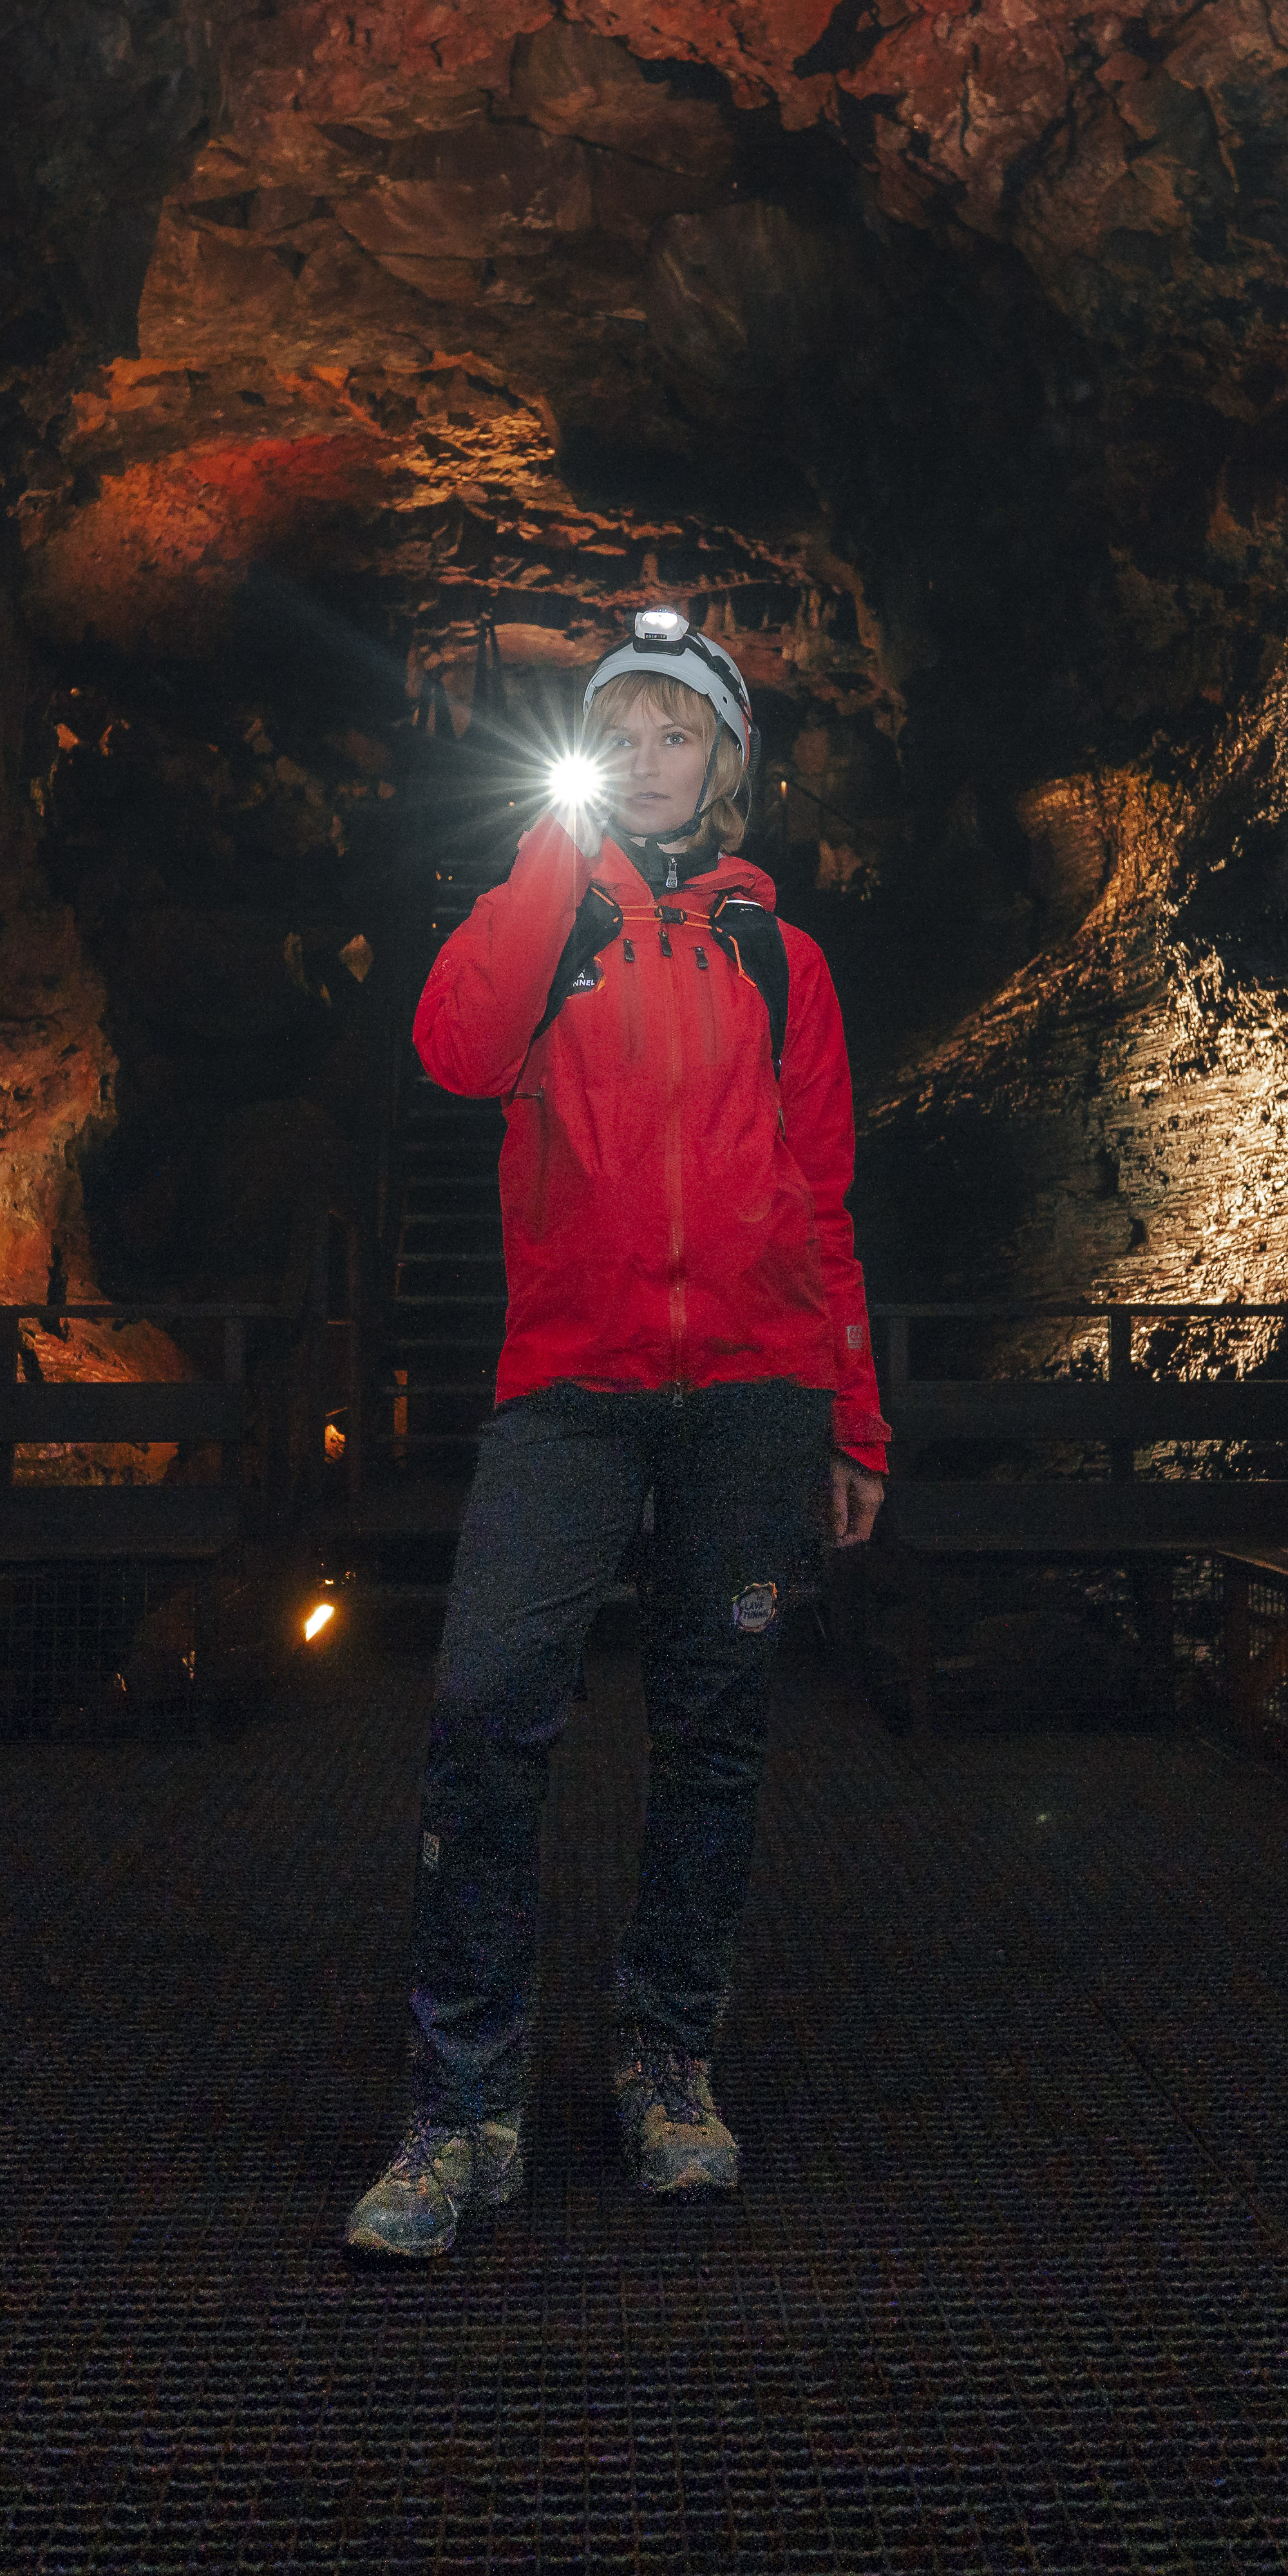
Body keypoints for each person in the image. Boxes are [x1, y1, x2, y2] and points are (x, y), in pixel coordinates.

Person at [345, 610, 887, 2260]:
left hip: (750, 1394)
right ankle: (462, 2105)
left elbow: (827, 1203)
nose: (645, 762)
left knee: (714, 1732)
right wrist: (547, 851)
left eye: (675, 735)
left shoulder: (783, 962)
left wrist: (854, 1417)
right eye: (618, 733)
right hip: (571, 1385)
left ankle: (670, 2060)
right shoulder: (543, 922)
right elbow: (453, 1052)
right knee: (487, 1705)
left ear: (725, 763)